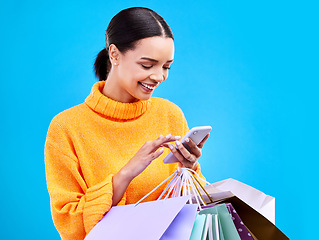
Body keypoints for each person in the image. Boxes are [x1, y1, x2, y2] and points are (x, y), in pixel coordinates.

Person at [44, 7, 209, 240]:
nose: (159, 76)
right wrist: (126, 174)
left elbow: (190, 209)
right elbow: (70, 224)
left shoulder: (170, 114)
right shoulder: (67, 127)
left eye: (166, 66)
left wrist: (189, 169)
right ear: (114, 55)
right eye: (147, 65)